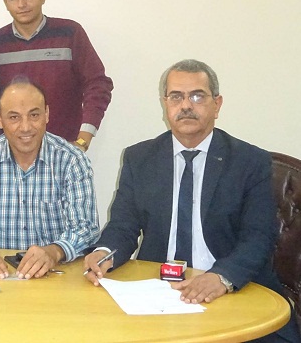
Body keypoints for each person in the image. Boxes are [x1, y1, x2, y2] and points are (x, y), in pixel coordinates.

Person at [82, 59, 299, 343]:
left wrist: (221, 277)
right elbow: (123, 227)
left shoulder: (249, 161)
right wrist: (104, 253)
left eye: (197, 96)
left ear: (217, 104)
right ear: (165, 104)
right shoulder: (140, 159)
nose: (185, 105)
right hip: (159, 294)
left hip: (233, 292)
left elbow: (258, 238)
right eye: (176, 97)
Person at [0, 78, 99, 280]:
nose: (25, 127)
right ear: (0, 120)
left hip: (54, 276)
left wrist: (55, 251)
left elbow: (86, 227)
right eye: (14, 117)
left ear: (47, 114)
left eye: (34, 115)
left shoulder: (72, 161)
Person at [0, 0, 113, 153]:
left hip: (63, 155)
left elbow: (98, 84)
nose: (21, 4)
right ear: (5, 2)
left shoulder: (70, 34)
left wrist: (83, 140)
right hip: (9, 159)